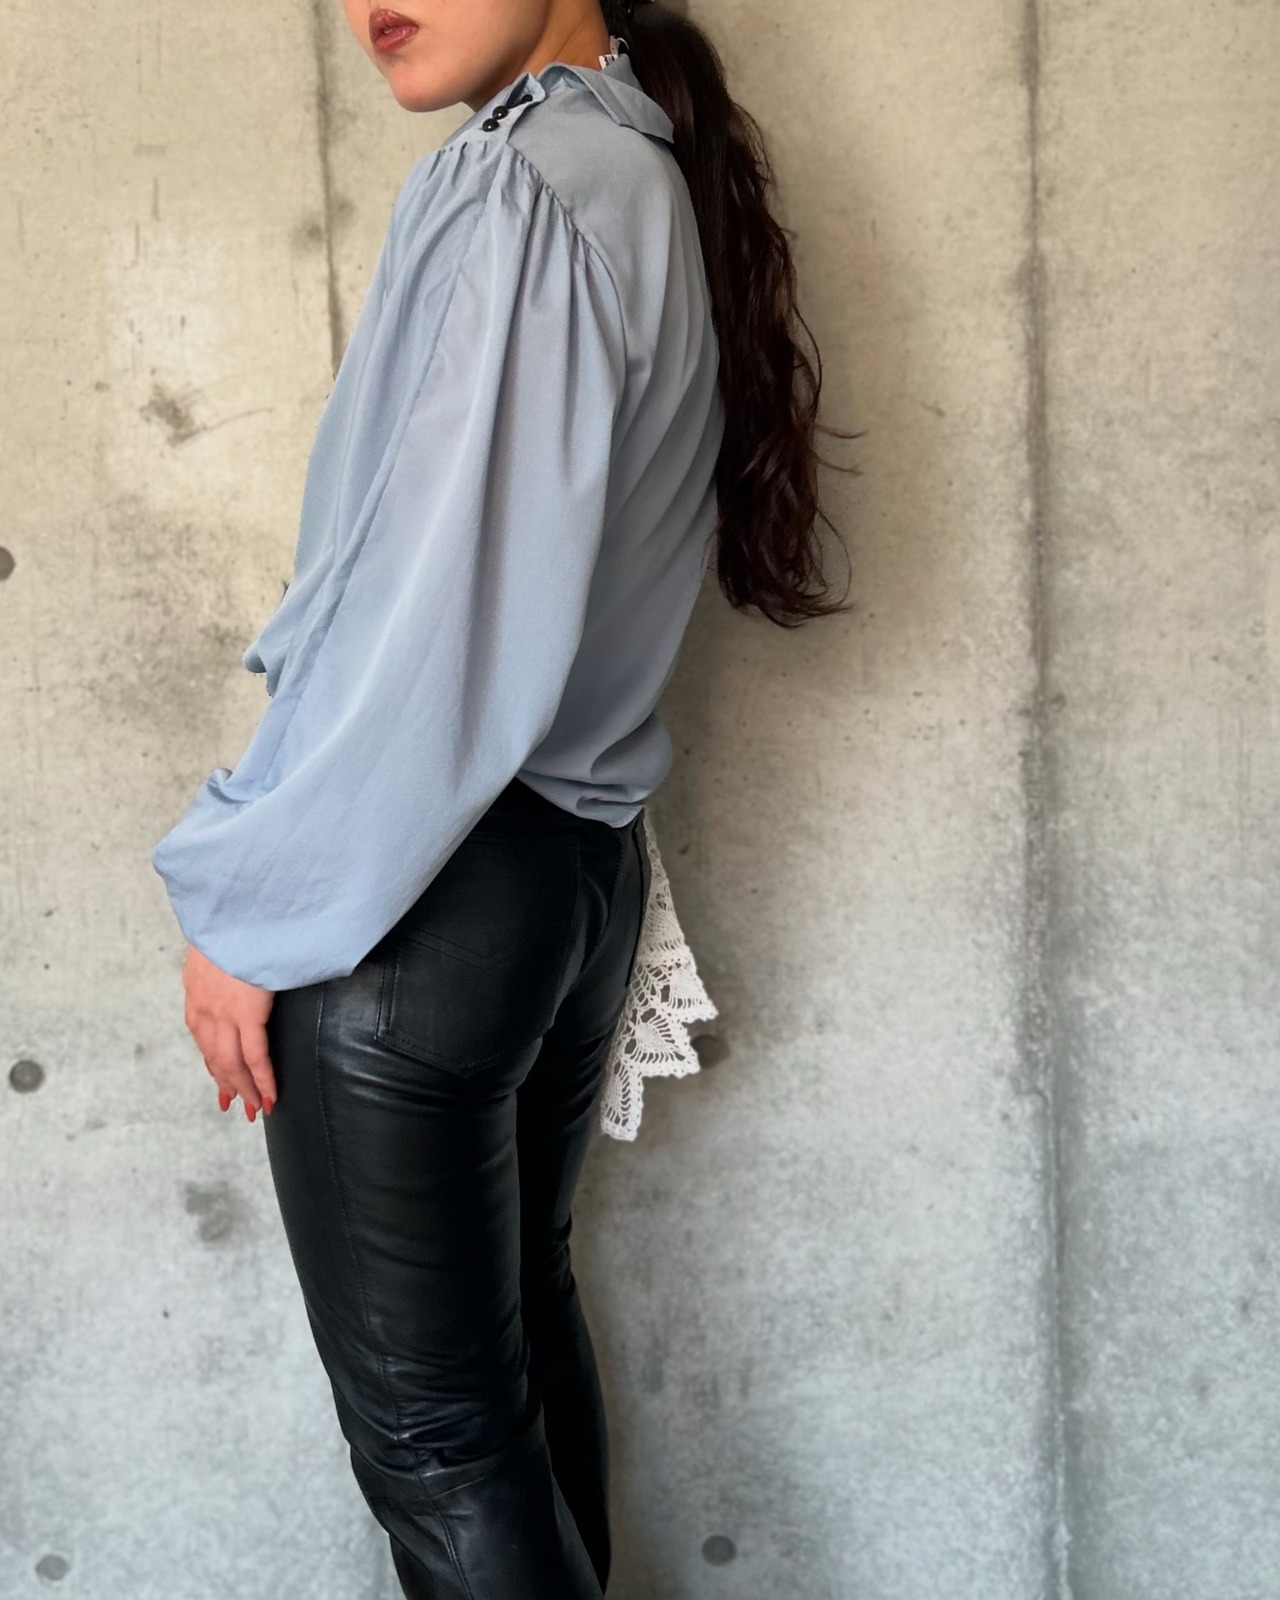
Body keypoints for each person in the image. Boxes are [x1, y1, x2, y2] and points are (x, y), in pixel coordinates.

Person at [151, 0, 856, 1593]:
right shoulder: (636, 163)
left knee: (444, 1450)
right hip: (568, 884)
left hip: (422, 900)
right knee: (507, 1382)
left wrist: (251, 896)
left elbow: (424, 626)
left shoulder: (524, 184)